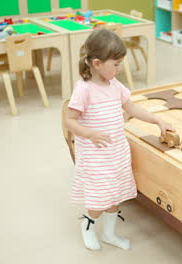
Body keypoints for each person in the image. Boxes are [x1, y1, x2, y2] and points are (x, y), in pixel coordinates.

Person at [65, 28, 174, 250]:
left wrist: (157, 120)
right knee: (98, 200)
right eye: (115, 64)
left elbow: (131, 108)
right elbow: (69, 120)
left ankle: (109, 233)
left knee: (115, 197)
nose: (119, 68)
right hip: (96, 155)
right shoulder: (83, 90)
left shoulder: (115, 86)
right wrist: (90, 133)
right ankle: (87, 227)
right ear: (97, 63)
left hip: (116, 152)